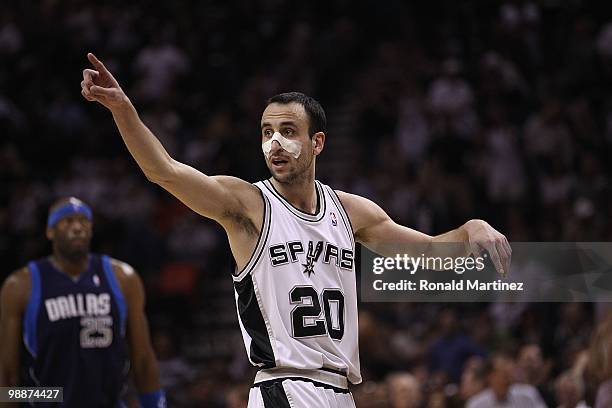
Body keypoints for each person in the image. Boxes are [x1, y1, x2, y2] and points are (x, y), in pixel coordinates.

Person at [80, 52, 511, 407]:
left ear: (317, 143)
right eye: (267, 132)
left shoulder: (351, 211)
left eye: (288, 131)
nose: (274, 143)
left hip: (340, 391)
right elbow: (165, 172)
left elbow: (430, 254)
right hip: (285, 387)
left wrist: (473, 225)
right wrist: (123, 110)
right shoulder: (249, 205)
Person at [0, 197, 165, 408]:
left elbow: (142, 361)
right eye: (67, 221)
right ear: (50, 231)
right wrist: (56, 396)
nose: (77, 227)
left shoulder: (123, 278)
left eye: (83, 221)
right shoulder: (20, 285)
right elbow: (8, 377)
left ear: (92, 229)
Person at [466, 354, 546, 408]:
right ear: (490, 377)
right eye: (502, 375)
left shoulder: (528, 395)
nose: (506, 380)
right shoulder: (476, 404)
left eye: (508, 375)